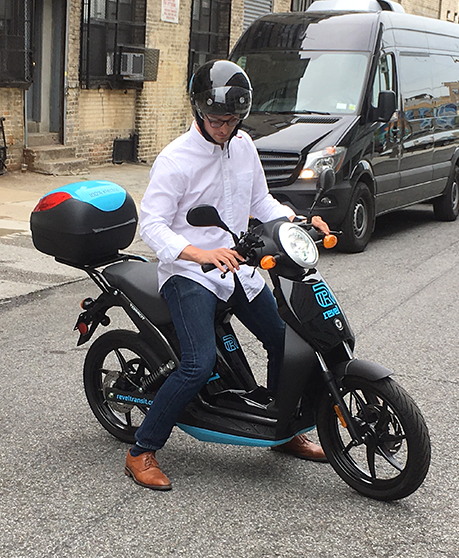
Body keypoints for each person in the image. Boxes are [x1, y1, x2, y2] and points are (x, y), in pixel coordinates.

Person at [125, 60, 330, 490]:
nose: (224, 127)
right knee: (198, 365)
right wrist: (198, 253)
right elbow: (153, 225)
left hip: (239, 269)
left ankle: (284, 429)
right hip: (190, 274)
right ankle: (142, 450)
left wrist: (299, 221)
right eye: (217, 119)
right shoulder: (175, 159)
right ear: (199, 110)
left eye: (233, 119)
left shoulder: (244, 146)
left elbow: (262, 201)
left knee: (285, 341)